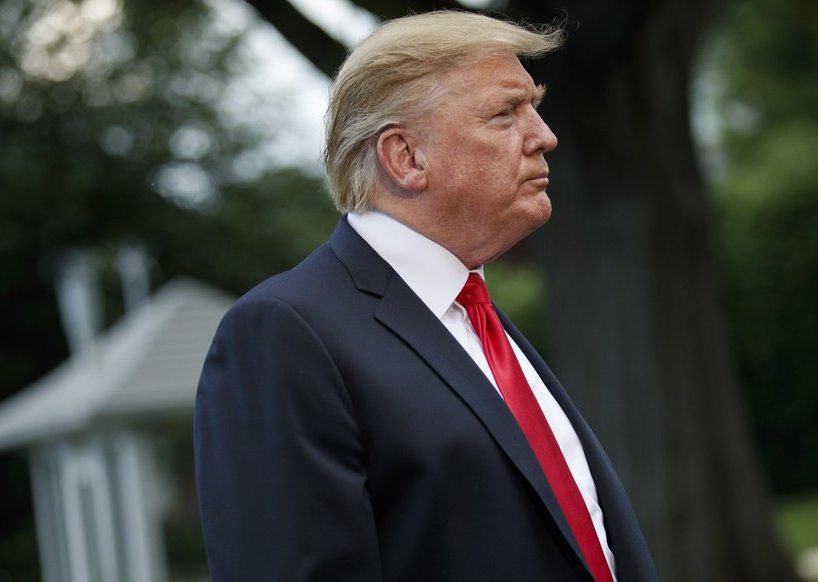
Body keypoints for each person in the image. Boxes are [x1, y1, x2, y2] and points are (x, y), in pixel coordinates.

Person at [194, 10, 658, 582]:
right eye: (505, 114)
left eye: (533, 107)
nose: (544, 135)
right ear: (406, 158)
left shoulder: (473, 316)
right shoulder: (284, 333)